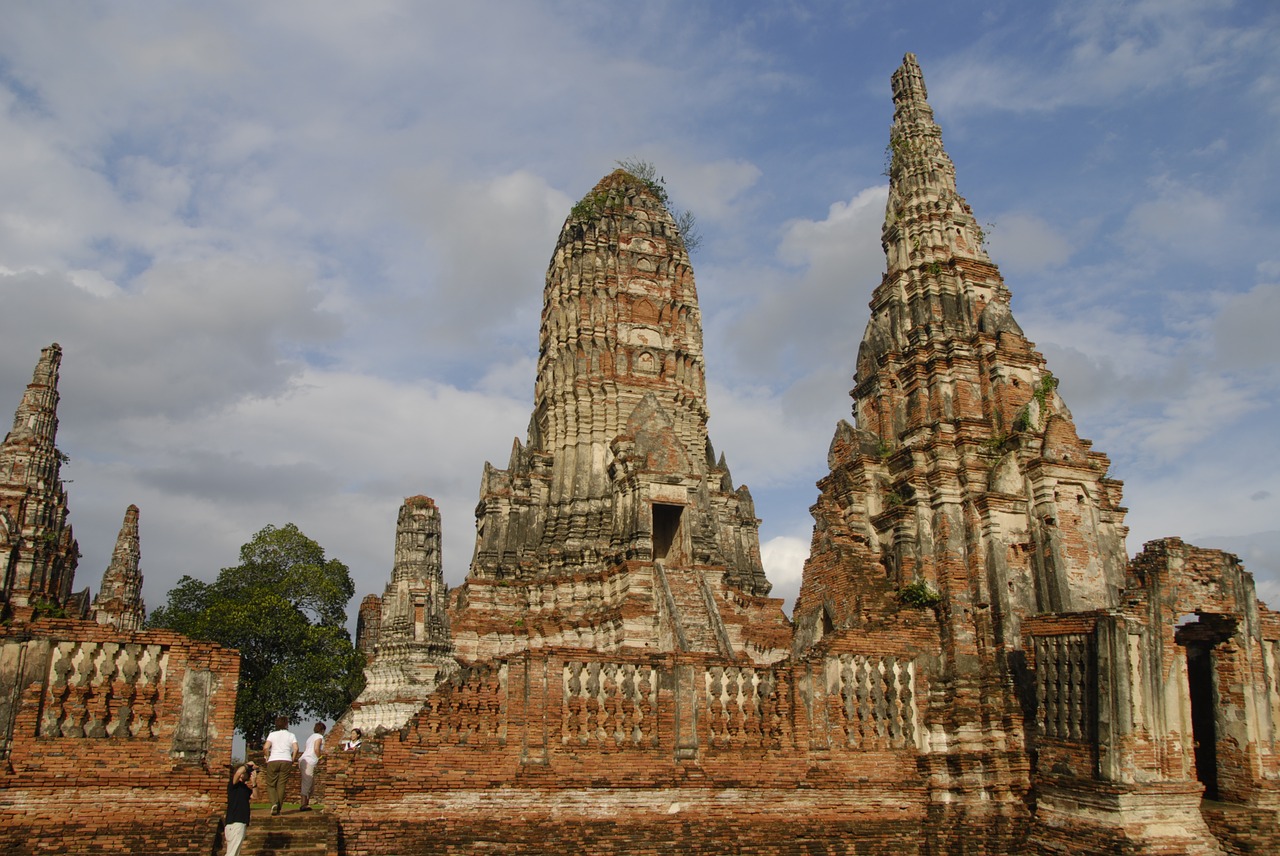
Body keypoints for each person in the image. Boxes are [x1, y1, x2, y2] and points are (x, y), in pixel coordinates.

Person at [261, 716, 298, 815]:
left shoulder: (272, 734)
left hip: (273, 760)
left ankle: (274, 803)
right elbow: (296, 748)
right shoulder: (291, 735)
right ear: (286, 724)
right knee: (281, 784)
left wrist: (267, 757)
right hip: (286, 760)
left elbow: (265, 747)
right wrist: (293, 759)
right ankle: (278, 807)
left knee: (271, 784)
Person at [224, 762, 257, 856]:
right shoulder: (233, 785)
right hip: (235, 822)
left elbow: (255, 796)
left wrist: (254, 782)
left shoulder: (244, 788)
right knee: (232, 853)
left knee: (234, 852)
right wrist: (247, 765)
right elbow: (238, 773)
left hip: (240, 822)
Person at [298, 721, 326, 811]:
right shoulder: (319, 737)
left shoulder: (310, 737)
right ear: (322, 730)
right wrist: (320, 757)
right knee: (307, 783)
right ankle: (303, 804)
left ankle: (306, 803)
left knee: (310, 784)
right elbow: (316, 749)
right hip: (309, 760)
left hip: (304, 759)